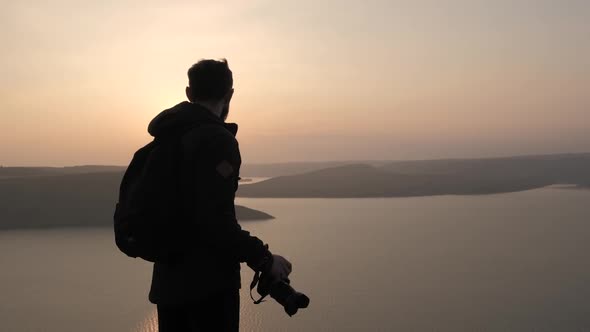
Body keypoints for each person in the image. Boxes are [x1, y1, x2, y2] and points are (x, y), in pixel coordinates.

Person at [146, 59, 292, 331]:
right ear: (229, 94)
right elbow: (215, 222)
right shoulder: (218, 141)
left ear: (189, 93)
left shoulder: (166, 138)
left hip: (168, 286)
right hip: (209, 290)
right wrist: (265, 259)